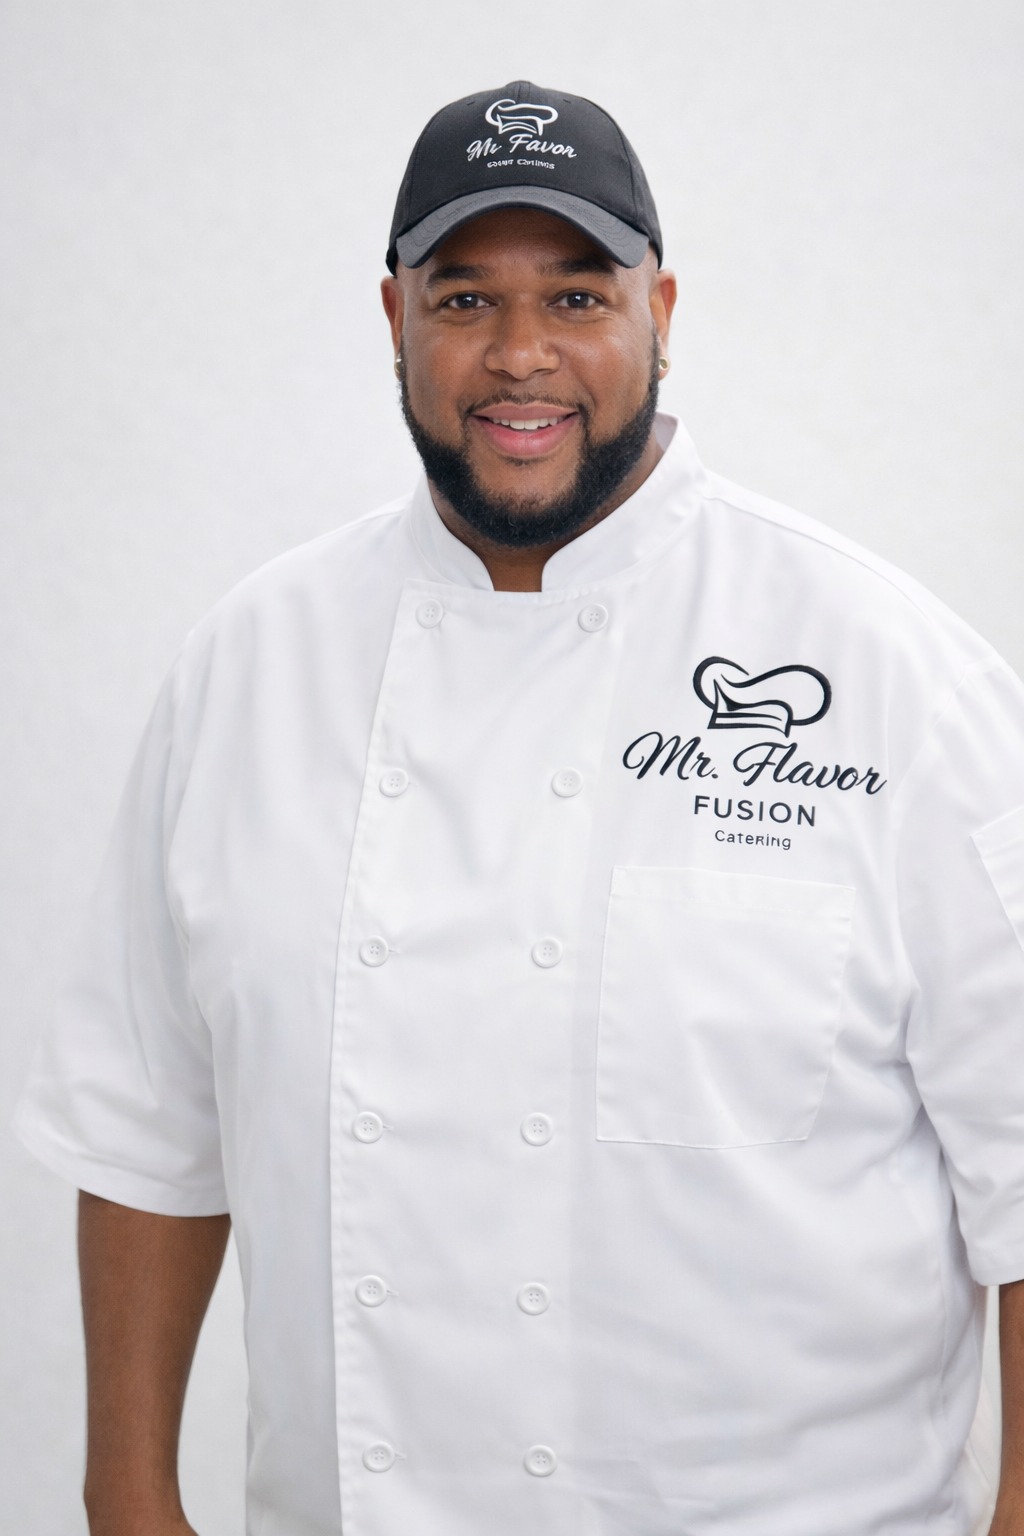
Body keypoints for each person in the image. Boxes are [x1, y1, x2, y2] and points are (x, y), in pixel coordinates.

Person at [15, 79, 1024, 1536]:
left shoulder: (894, 678)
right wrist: (127, 1501)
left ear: (661, 311)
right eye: (465, 298)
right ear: (395, 319)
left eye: (577, 294)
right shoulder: (251, 665)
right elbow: (145, 1124)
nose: (520, 354)